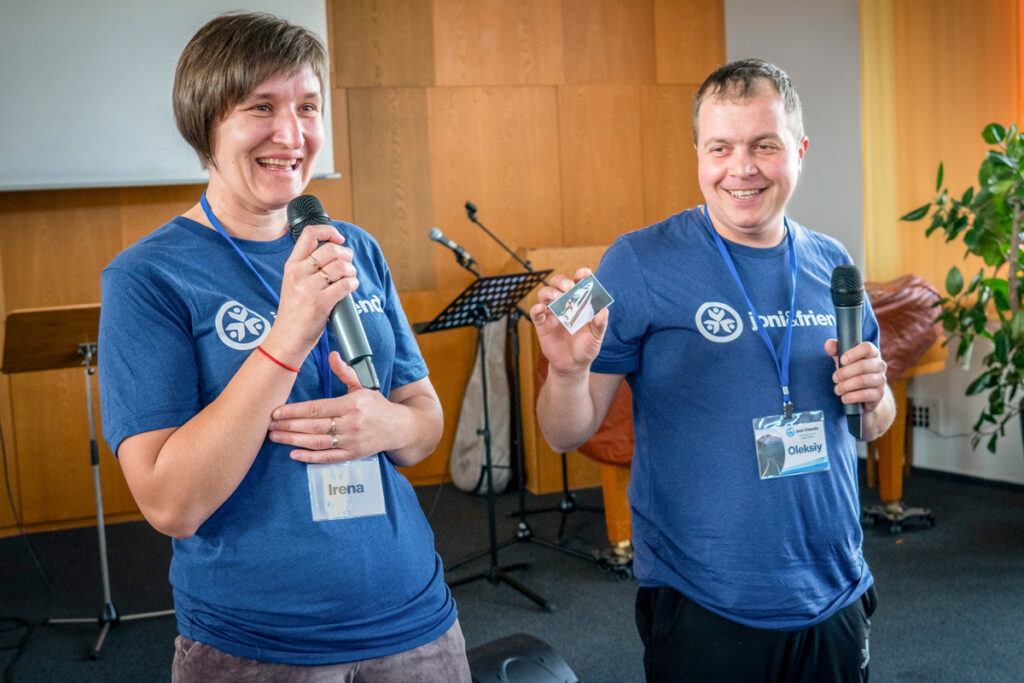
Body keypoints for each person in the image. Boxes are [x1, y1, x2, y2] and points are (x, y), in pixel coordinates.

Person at [98, 12, 470, 681]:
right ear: (205, 121)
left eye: (307, 106)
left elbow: (423, 425)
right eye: (261, 108)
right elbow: (169, 502)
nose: (291, 134)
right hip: (259, 645)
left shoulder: (353, 247)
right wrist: (286, 337)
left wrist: (389, 422)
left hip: (416, 620)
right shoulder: (148, 276)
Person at [531, 59, 895, 682]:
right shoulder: (634, 261)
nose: (742, 168)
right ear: (698, 154)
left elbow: (869, 424)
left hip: (834, 588)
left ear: (799, 151)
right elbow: (564, 433)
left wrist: (877, 396)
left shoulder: (835, 265)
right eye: (720, 147)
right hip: (706, 602)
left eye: (765, 146)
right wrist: (564, 374)